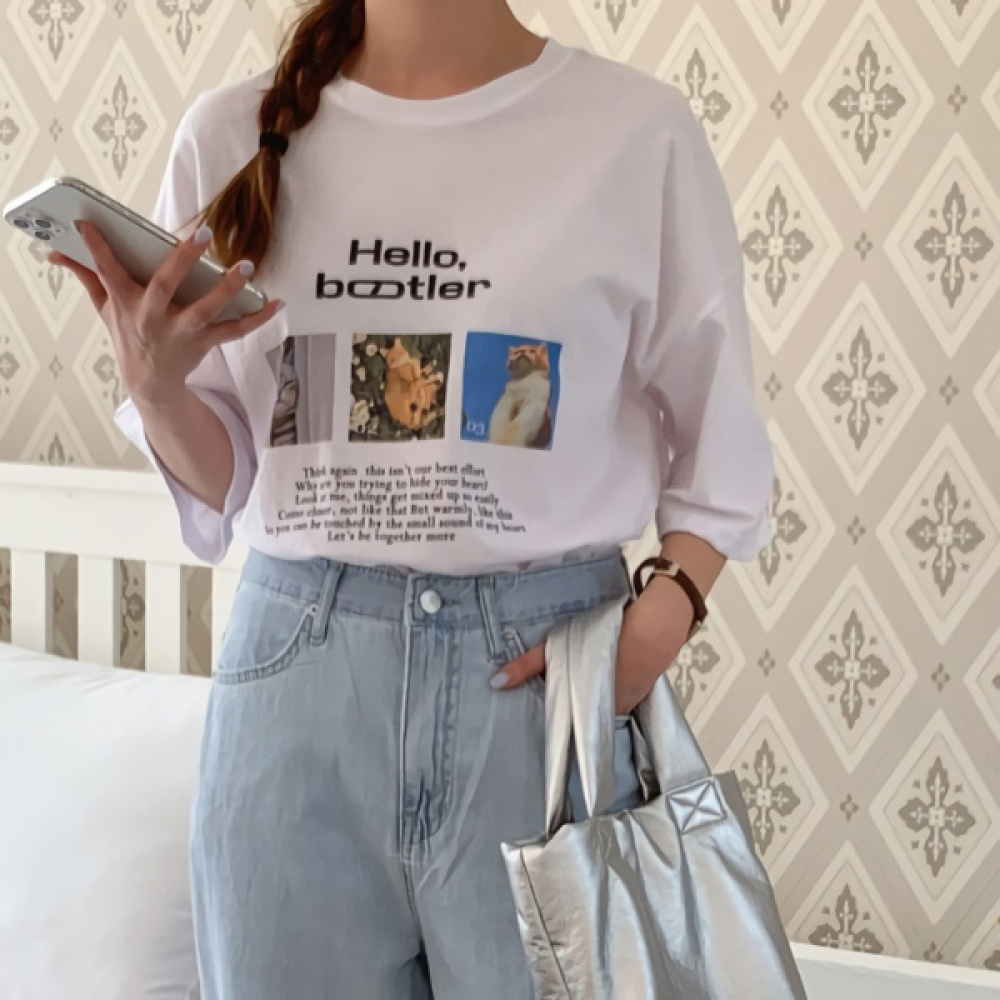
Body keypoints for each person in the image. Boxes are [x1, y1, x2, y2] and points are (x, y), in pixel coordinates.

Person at [49, 0, 775, 996]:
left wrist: (653, 627)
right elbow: (229, 478)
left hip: (540, 689)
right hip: (294, 701)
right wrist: (158, 389)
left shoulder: (637, 134)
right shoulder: (226, 136)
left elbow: (720, 441)